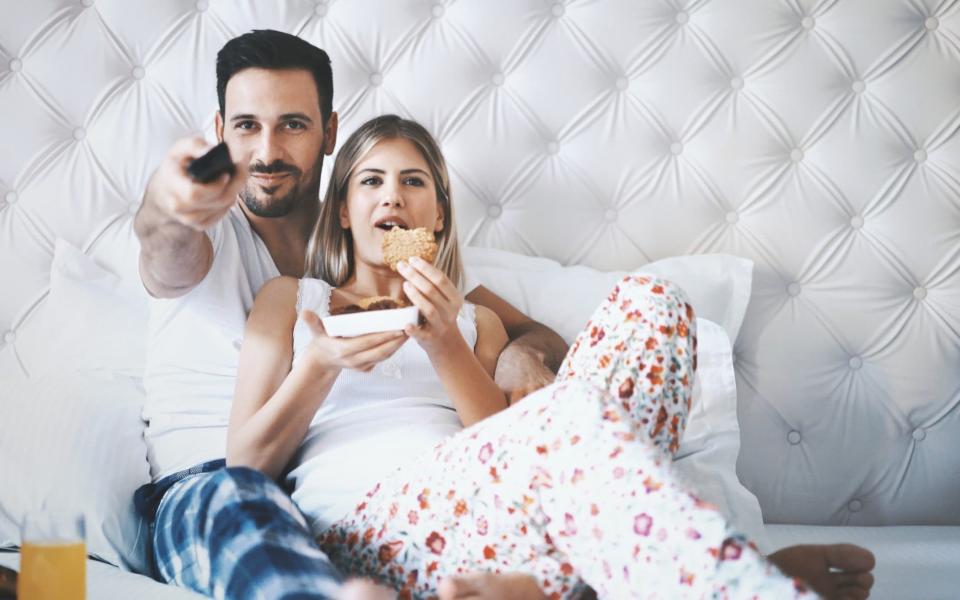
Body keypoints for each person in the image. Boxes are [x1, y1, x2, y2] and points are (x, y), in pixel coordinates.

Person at [226, 114, 876, 599]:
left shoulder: (475, 316)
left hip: (491, 520)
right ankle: (735, 581)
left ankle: (542, 585)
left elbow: (509, 447)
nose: (392, 197)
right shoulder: (294, 298)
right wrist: (319, 365)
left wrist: (447, 339)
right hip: (366, 530)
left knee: (653, 302)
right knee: (567, 415)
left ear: (440, 215)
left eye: (413, 181)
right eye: (371, 181)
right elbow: (243, 468)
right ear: (343, 209)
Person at [133, 30, 565, 600]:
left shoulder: (373, 234)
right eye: (246, 126)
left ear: (328, 132)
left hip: (339, 500)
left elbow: (513, 329)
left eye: (293, 124)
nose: (267, 151)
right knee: (241, 498)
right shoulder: (210, 232)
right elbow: (165, 255)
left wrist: (516, 356)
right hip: (217, 485)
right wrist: (170, 207)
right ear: (220, 133)